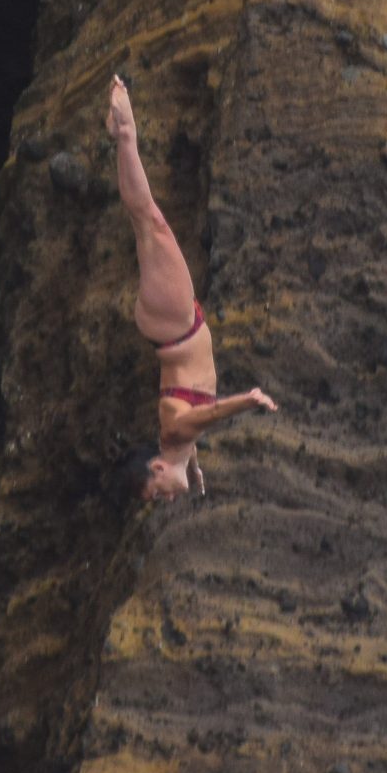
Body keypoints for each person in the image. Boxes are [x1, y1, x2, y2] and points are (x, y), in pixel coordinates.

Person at [106, 72, 276, 501]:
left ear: (157, 467)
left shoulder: (175, 428)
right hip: (173, 325)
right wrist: (194, 469)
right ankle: (122, 137)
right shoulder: (178, 443)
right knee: (146, 224)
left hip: (175, 325)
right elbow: (192, 437)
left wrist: (249, 401)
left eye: (157, 491)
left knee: (150, 222)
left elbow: (210, 414)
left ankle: (125, 132)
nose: (167, 497)